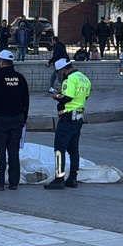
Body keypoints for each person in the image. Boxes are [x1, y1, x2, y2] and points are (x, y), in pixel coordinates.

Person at [0, 50, 30, 190]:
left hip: (0, 119)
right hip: (17, 119)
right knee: (13, 151)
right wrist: (23, 119)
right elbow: (26, 101)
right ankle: (14, 182)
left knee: (0, 152)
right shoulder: (20, 78)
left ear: (1, 62)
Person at [45, 58, 91, 189]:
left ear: (63, 70)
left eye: (60, 72)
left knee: (59, 149)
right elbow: (84, 96)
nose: (60, 75)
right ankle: (72, 178)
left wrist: (56, 96)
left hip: (67, 118)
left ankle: (59, 179)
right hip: (78, 117)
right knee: (73, 150)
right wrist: (62, 93)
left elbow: (67, 98)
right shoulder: (83, 78)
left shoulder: (69, 79)